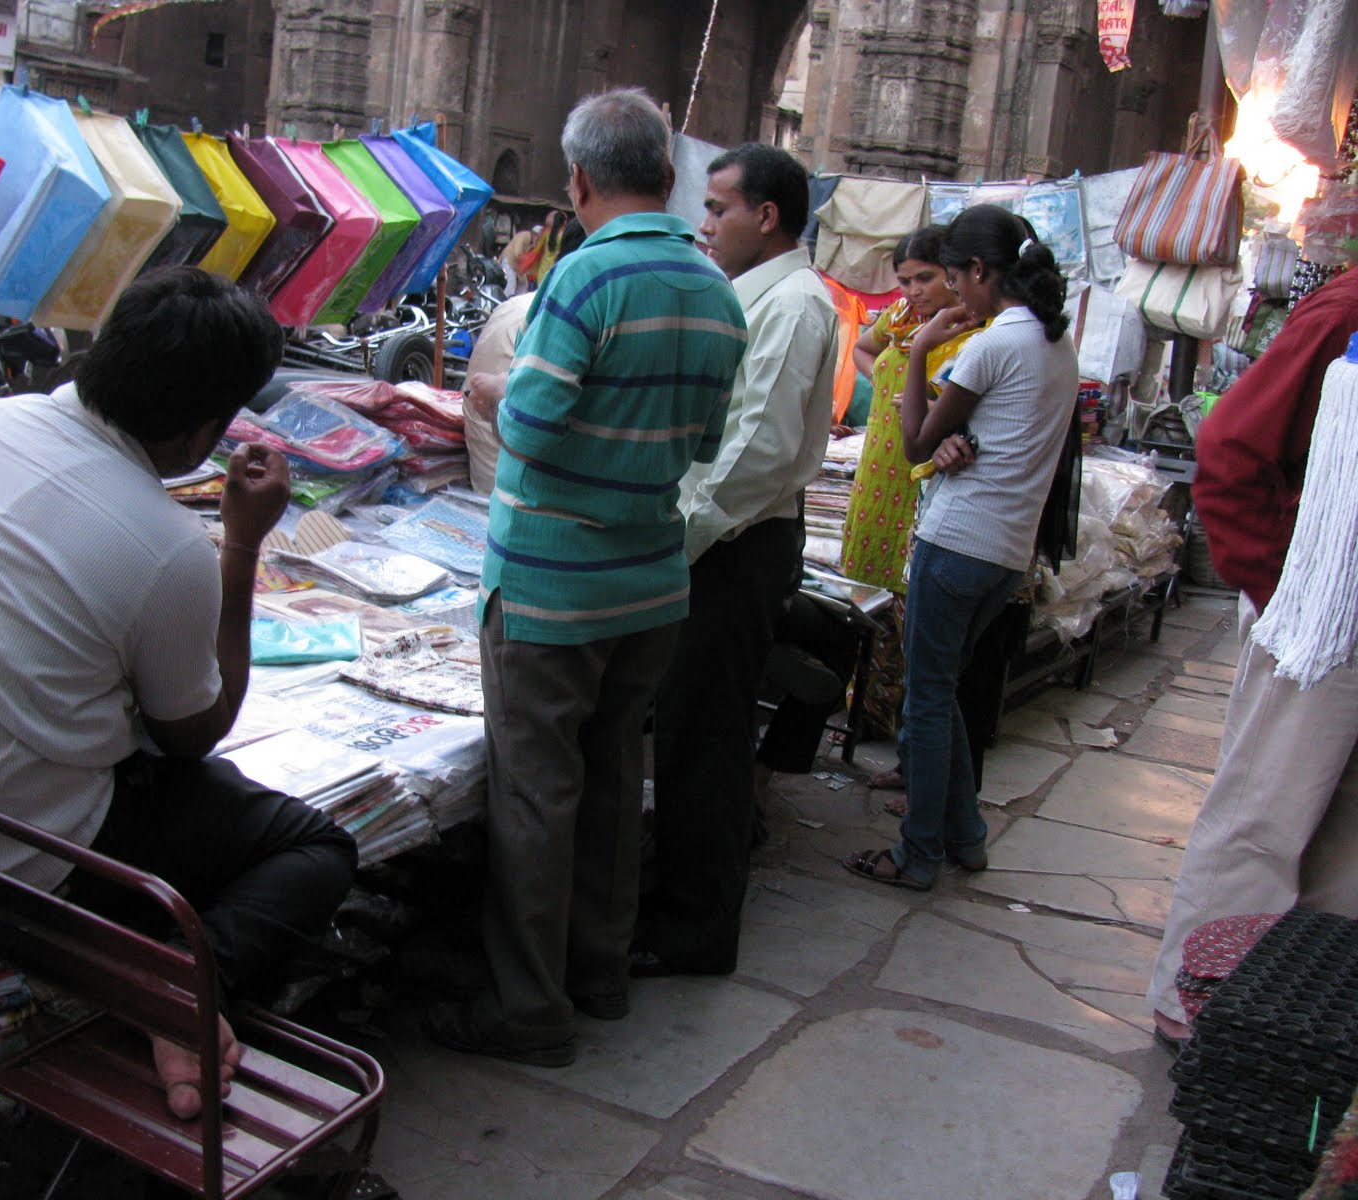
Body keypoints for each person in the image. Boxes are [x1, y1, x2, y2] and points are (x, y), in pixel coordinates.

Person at [0, 267, 358, 1117]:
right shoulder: (167, 547)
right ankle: (178, 989)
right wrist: (239, 546)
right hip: (20, 860)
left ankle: (168, 985)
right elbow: (196, 731)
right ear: (203, 431)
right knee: (315, 849)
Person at [421, 87, 747, 1066]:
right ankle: (597, 972)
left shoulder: (583, 282)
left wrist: (489, 385)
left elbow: (525, 423)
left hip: (551, 590)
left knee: (535, 795)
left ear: (577, 179)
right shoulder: (715, 291)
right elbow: (703, 442)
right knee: (611, 782)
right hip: (648, 585)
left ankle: (526, 1007)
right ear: (667, 177)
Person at [632, 142, 839, 976]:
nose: (704, 222)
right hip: (726, 539)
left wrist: (672, 544)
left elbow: (751, 452)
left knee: (706, 736)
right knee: (689, 729)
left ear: (767, 215)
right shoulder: (757, 296)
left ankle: (692, 931)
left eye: (718, 208)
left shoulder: (791, 306)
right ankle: (683, 905)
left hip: (734, 545)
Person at [1146, 265, 1358, 1050]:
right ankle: (1196, 1005)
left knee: (1342, 835)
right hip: (1322, 611)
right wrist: (1287, 593)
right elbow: (1231, 451)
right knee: (1267, 813)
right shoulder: (1347, 311)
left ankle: (1303, 1014)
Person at [843, 204, 1077, 890]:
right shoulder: (1055, 343)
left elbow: (917, 441)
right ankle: (966, 837)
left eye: (951, 276)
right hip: (1006, 552)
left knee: (928, 698)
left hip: (959, 542)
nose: (949, 290)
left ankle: (918, 853)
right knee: (941, 697)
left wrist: (916, 351)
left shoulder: (994, 343)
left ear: (979, 271)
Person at [771, 226, 987, 797]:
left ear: (956, 275)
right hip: (879, 467)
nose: (913, 290)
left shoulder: (976, 333)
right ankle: (871, 715)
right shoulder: (901, 321)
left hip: (923, 476)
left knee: (915, 616)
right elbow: (865, 349)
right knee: (869, 601)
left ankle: (911, 742)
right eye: (906, 280)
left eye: (926, 278)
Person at [463, 217, 588, 494]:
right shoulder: (561, 317)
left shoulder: (521, 305)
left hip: (486, 475)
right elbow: (531, 430)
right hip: (512, 490)